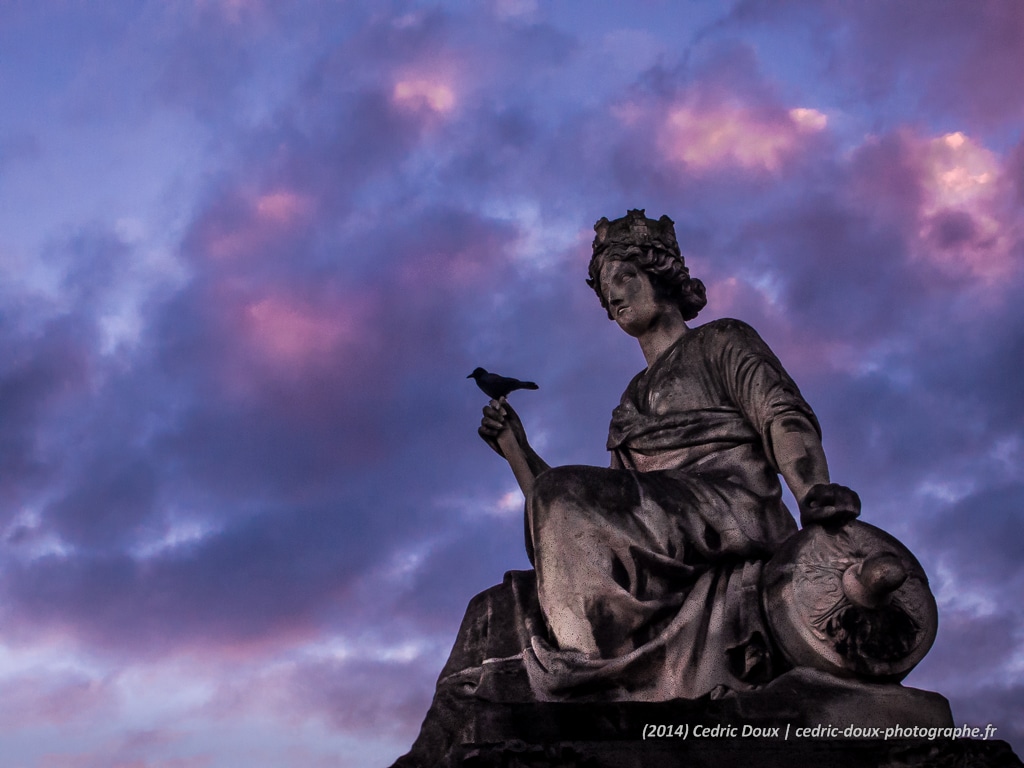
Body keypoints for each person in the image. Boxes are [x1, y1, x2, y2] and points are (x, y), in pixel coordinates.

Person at [478, 210, 860, 701]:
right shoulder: (630, 399)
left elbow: (780, 414)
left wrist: (813, 491)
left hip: (730, 511)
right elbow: (574, 527)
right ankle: (585, 663)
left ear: (661, 275)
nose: (612, 295)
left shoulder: (721, 340)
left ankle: (587, 677)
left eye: (625, 277)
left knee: (564, 495)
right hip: (664, 528)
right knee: (491, 611)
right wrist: (516, 449)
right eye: (603, 288)